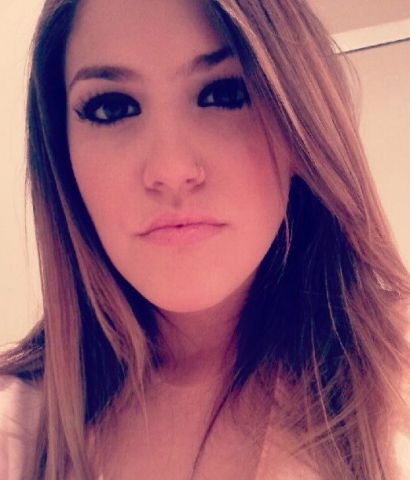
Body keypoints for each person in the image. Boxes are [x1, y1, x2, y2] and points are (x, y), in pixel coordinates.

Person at [0, 0, 409, 478]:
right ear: (62, 153)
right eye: (112, 107)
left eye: (224, 94)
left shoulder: (397, 372)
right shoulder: (17, 430)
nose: (171, 170)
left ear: (302, 127)